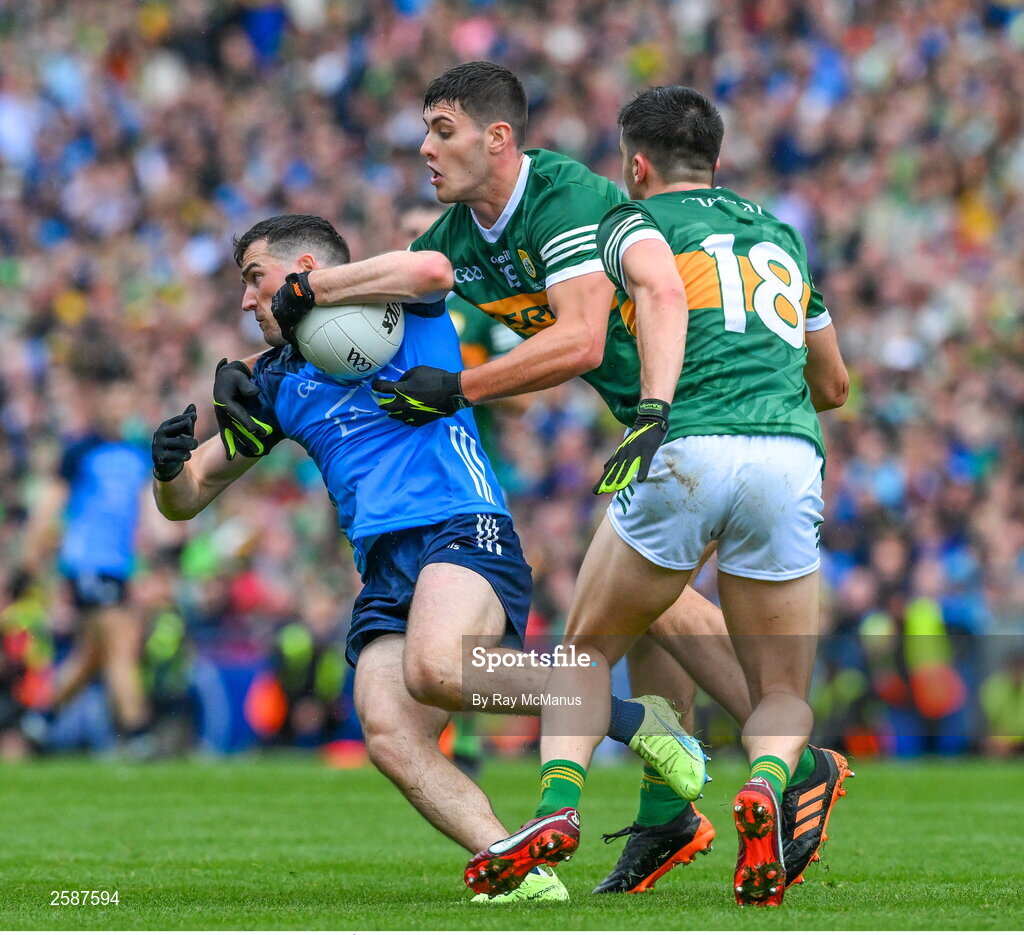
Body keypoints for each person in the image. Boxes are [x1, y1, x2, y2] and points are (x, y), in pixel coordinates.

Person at [257, 62, 848, 897]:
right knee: (664, 612)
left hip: (679, 425)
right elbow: (834, 386)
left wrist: (461, 383)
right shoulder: (466, 235)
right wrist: (266, 354)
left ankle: (701, 772)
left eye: (441, 130)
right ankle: (697, 797)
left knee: (596, 632)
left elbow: (576, 340)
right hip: (768, 440)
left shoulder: (585, 205)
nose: (424, 148)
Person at [152, 213, 705, 904]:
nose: (244, 300)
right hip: (385, 565)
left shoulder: (396, 305)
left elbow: (434, 269)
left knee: (436, 667)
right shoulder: (273, 381)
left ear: (301, 268)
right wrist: (167, 466)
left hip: (463, 525)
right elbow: (189, 495)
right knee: (386, 727)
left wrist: (315, 290)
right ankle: (519, 867)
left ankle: (634, 719)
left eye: (254, 280)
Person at [480, 86, 852, 905]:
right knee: (781, 688)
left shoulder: (629, 223)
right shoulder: (781, 234)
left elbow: (590, 332)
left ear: (636, 164)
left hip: (684, 442)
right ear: (713, 158)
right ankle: (755, 786)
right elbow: (833, 381)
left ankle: (556, 807)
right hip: (789, 455)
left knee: (587, 650)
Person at [19, 343, 154, 754]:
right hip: (87, 564)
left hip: (120, 566)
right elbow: (49, 510)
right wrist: (30, 560)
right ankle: (138, 735)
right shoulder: (79, 451)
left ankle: (38, 722)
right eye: (110, 398)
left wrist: (153, 562)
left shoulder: (137, 452)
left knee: (93, 654)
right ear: (97, 401)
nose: (117, 406)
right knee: (120, 644)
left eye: (123, 398)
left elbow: (146, 517)